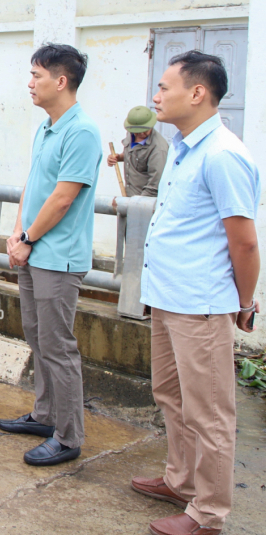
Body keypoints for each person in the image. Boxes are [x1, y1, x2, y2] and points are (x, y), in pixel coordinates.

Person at [131, 51, 260, 535]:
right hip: (168, 297)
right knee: (171, 395)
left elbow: (244, 242)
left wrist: (244, 304)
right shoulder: (185, 148)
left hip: (201, 304)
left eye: (165, 87)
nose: (156, 96)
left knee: (209, 413)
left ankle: (208, 514)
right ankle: (181, 480)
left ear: (198, 93)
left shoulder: (223, 155)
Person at [0, 44, 101, 467]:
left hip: (58, 257)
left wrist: (27, 237)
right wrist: (17, 232)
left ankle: (68, 436)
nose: (30, 83)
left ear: (61, 81)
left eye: (36, 75)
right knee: (37, 337)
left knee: (58, 346)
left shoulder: (82, 132)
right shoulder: (47, 127)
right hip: (33, 249)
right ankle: (45, 416)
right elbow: (33, 184)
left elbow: (62, 198)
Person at [106, 105, 168, 197]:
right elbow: (134, 155)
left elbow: (154, 186)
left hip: (144, 200)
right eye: (138, 131)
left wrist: (138, 203)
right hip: (129, 197)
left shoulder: (159, 148)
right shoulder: (131, 133)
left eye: (145, 130)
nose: (142, 133)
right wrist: (118, 157)